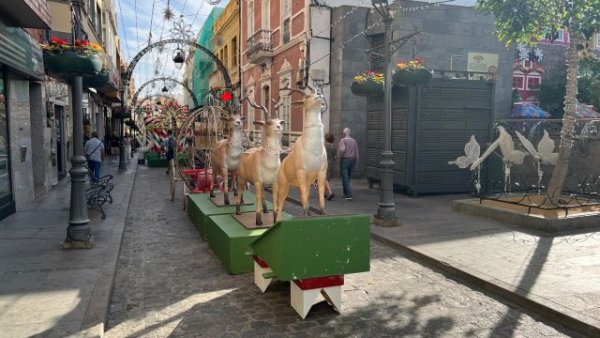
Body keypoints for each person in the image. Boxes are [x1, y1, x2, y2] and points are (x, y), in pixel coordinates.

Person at [336, 127, 359, 200]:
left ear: (344, 133)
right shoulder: (354, 141)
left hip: (345, 160)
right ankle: (345, 194)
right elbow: (356, 151)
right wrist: (357, 160)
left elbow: (342, 150)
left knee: (345, 177)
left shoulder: (343, 140)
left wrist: (339, 156)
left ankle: (348, 195)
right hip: (352, 160)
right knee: (348, 177)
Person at [324, 132, 335, 200]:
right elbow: (335, 156)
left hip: (325, 163)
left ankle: (330, 192)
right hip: (331, 163)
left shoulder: (325, 145)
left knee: (324, 179)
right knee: (327, 179)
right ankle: (324, 193)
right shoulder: (333, 146)